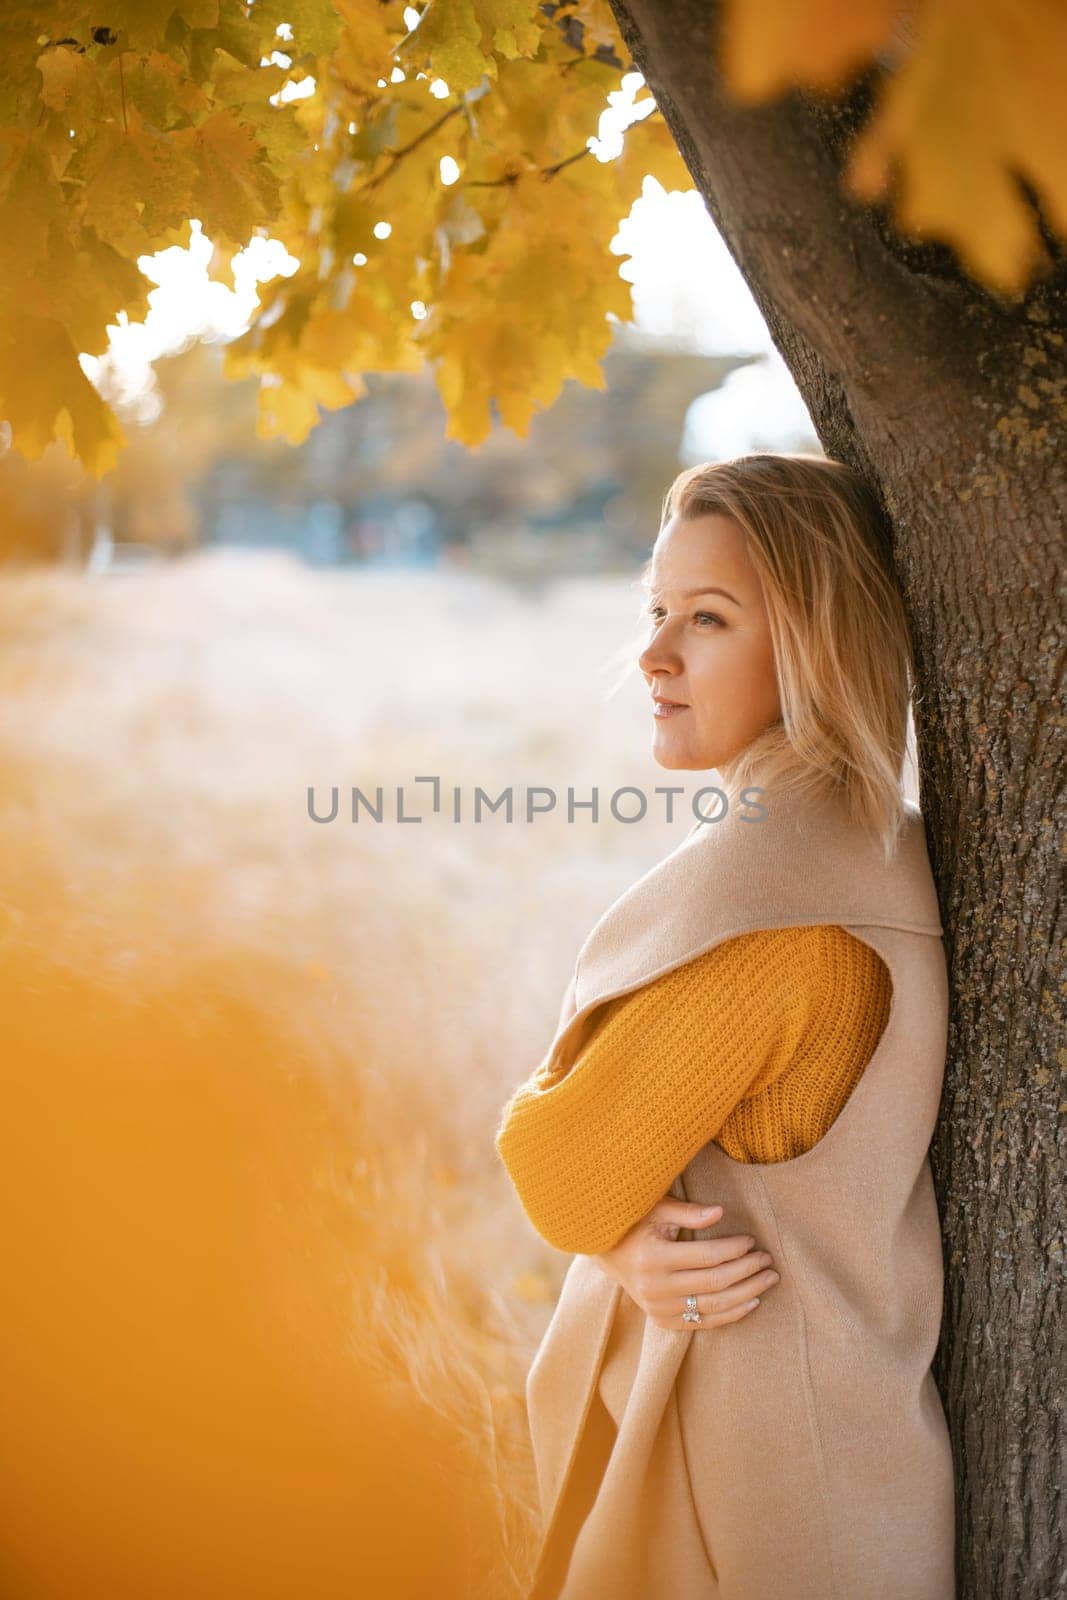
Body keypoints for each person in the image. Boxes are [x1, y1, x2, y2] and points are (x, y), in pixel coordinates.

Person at [494, 453, 955, 1599]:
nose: (651, 657)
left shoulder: (767, 902)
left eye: (705, 619)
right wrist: (627, 1240)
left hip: (750, 1499)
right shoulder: (875, 841)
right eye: (654, 611)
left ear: (811, 640)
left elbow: (557, 1172)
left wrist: (605, 1218)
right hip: (853, 1468)